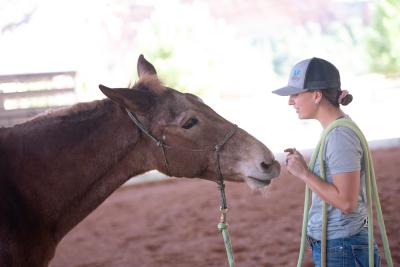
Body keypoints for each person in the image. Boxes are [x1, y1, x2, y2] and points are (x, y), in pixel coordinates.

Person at [272, 57, 380, 267]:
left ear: (316, 95)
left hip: (342, 248)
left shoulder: (339, 136)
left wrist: (304, 173)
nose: (290, 101)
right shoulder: (336, 131)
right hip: (341, 246)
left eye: (295, 94)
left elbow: (346, 203)